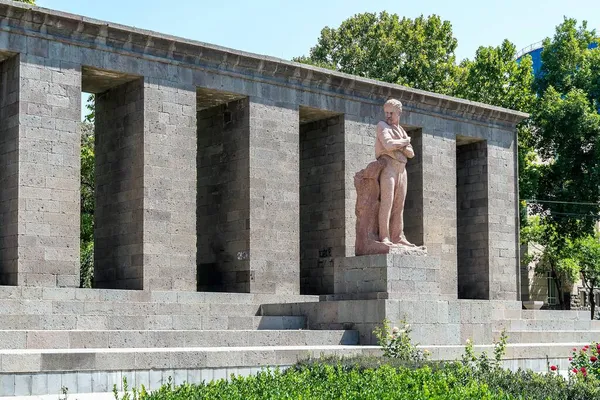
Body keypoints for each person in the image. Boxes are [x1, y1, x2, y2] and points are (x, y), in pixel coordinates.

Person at [375, 99, 416, 247]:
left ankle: (397, 236)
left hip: (401, 169)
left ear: (399, 113)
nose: (388, 116)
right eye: (386, 112)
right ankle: (384, 236)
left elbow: (411, 153)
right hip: (388, 167)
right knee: (387, 202)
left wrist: (401, 144)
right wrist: (404, 142)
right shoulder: (382, 126)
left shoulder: (401, 130)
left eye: (391, 113)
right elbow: (388, 144)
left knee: (399, 205)